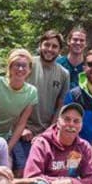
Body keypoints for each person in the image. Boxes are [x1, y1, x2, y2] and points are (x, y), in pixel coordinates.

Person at [15, 30, 69, 173]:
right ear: (40, 45)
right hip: (21, 130)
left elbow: (60, 106)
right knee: (21, 169)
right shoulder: (28, 65)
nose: (50, 49)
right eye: (47, 45)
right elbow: (14, 94)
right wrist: (22, 127)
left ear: (60, 50)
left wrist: (49, 132)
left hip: (46, 133)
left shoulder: (64, 74)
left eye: (54, 46)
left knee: (45, 171)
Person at [0, 48, 38, 159]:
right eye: (17, 65)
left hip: (7, 136)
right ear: (10, 67)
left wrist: (7, 149)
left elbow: (21, 124)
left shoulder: (32, 92)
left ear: (29, 69)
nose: (20, 69)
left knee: (19, 166)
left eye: (24, 66)